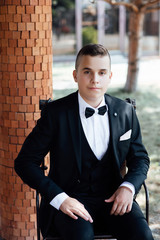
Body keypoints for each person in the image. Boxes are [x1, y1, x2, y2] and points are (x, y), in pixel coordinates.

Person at [15, 44, 153, 240]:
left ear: (110, 76)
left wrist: (128, 187)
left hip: (114, 199)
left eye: (102, 72)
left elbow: (140, 159)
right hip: (70, 200)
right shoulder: (56, 114)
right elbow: (24, 162)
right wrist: (59, 198)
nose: (95, 79)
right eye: (87, 71)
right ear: (75, 75)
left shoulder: (125, 112)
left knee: (143, 236)